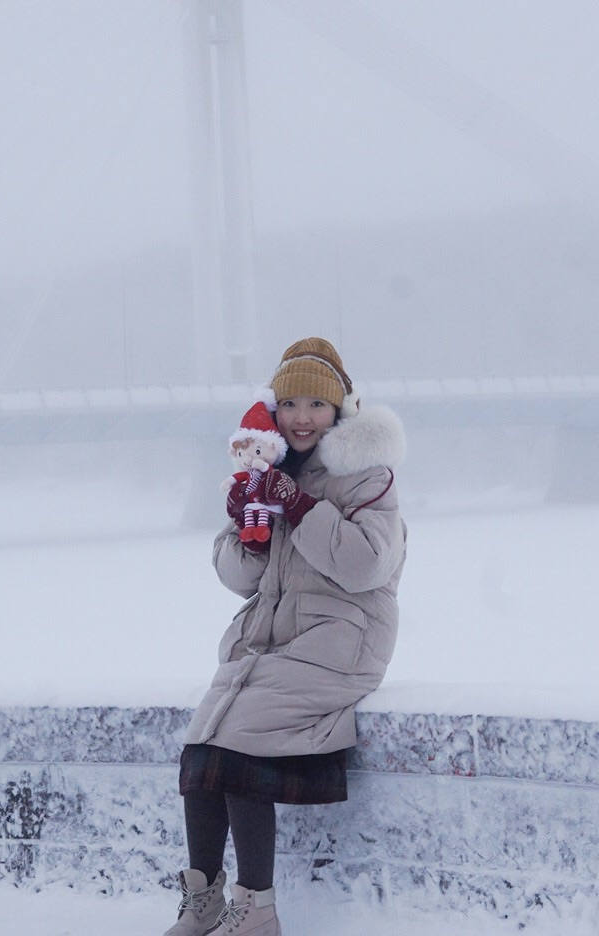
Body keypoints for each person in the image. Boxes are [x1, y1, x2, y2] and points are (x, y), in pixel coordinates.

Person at [164, 337, 407, 936]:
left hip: (343, 643)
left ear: (340, 412)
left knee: (241, 739)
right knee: (203, 744)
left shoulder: (366, 477)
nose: (302, 417)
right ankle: (203, 904)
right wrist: (247, 532)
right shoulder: (264, 471)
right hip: (273, 645)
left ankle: (257, 911)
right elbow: (239, 578)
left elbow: (365, 565)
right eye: (291, 403)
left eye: (316, 405)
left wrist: (299, 507)